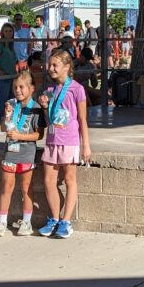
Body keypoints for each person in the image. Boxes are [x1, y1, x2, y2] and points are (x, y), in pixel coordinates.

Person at [37, 49, 91, 239]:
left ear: (67, 67)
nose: (50, 68)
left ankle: (66, 221)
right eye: (49, 65)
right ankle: (54, 218)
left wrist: (86, 146)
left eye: (54, 65)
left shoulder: (77, 89)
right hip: (52, 141)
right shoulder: (50, 91)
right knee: (48, 180)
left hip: (69, 141)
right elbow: (50, 119)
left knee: (69, 180)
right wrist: (45, 107)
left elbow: (83, 119)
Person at [0, 69, 45, 237]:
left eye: (22, 87)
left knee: (26, 188)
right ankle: (1, 222)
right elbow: (2, 127)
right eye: (15, 87)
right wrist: (6, 117)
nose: (18, 91)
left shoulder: (36, 108)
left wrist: (20, 136)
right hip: (10, 153)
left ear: (31, 88)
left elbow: (39, 135)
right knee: (6, 187)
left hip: (27, 153)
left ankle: (27, 222)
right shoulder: (11, 104)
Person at [0, 23, 17, 121]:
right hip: (2, 78)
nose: (8, 33)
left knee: (12, 101)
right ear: (2, 32)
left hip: (12, 77)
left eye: (10, 31)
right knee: (2, 103)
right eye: (6, 31)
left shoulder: (11, 45)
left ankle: (11, 121)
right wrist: (1, 73)